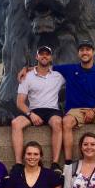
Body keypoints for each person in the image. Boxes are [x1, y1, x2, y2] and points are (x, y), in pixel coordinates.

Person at [19, 40, 95, 165]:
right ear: (78, 53)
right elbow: (44, 67)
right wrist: (26, 69)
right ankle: (68, 162)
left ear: (93, 52)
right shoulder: (69, 69)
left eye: (88, 50)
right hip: (76, 110)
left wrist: (94, 110)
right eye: (82, 50)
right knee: (66, 122)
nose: (85, 52)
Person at [11, 46, 65, 174]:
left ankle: (55, 163)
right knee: (15, 123)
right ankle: (18, 163)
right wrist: (31, 114)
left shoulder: (58, 75)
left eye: (47, 54)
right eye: (41, 54)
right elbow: (20, 102)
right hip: (34, 110)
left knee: (58, 122)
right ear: (37, 57)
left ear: (51, 57)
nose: (44, 56)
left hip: (52, 110)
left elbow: (78, 72)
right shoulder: (27, 76)